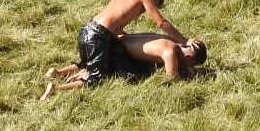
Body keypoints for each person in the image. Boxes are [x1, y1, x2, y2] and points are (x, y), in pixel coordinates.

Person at [68, 0, 192, 88]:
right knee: (96, 80)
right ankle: (57, 89)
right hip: (98, 36)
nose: (147, 10)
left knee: (95, 65)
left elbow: (113, 25)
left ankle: (59, 73)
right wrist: (184, 40)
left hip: (86, 30)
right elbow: (162, 23)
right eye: (155, 4)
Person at [41, 33, 208, 97]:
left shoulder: (169, 40)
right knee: (99, 79)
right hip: (119, 53)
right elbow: (173, 79)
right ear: (188, 56)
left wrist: (188, 68)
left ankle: (57, 72)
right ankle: (57, 88)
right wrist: (191, 79)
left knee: (91, 64)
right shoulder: (169, 51)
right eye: (190, 62)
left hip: (118, 42)